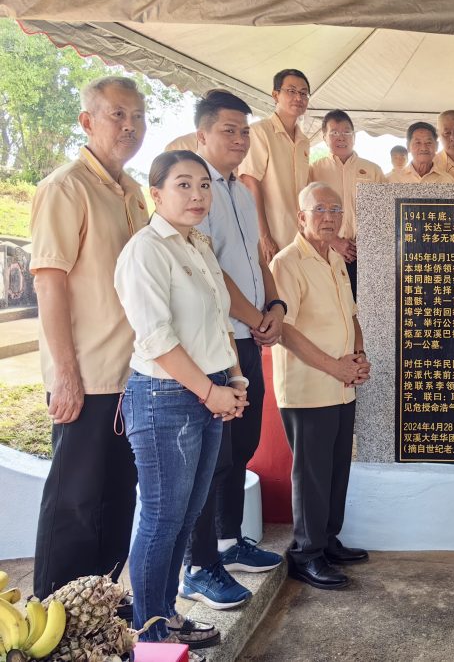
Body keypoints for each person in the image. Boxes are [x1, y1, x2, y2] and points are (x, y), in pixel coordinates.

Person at [115, 150, 249, 652]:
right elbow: (156, 339)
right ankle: (147, 633)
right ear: (156, 193)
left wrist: (235, 383)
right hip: (165, 397)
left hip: (208, 388)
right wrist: (211, 390)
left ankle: (164, 616)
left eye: (203, 186)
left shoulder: (198, 245)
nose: (197, 196)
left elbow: (217, 324)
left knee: (188, 512)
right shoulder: (146, 251)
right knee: (162, 515)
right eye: (183, 185)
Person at [29, 76, 149, 602]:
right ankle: (54, 621)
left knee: (117, 500)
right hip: (88, 375)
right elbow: (49, 282)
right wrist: (66, 374)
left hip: (134, 373)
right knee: (75, 502)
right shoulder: (65, 187)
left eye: (138, 116)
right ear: (87, 121)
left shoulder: (134, 191)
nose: (129, 126)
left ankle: (98, 615)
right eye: (117, 115)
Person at [179, 91, 286, 611]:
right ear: (202, 135)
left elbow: (257, 257)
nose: (240, 140)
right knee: (210, 458)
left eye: (245, 131)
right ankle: (197, 566)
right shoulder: (197, 195)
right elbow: (210, 270)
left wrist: (276, 307)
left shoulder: (242, 192)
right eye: (228, 130)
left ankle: (227, 542)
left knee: (239, 447)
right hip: (214, 346)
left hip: (248, 337)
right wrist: (252, 314)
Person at [270, 182, 372, 590]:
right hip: (309, 386)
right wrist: (335, 366)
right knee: (311, 473)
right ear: (301, 217)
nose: (328, 216)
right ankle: (306, 553)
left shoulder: (334, 259)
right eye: (319, 210)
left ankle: (328, 540)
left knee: (335, 468)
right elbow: (285, 330)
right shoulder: (287, 262)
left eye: (335, 209)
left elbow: (352, 315)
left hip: (342, 385)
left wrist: (359, 356)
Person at [238, 68, 311, 264]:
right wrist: (264, 236)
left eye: (304, 93)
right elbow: (249, 182)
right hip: (272, 237)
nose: (298, 97)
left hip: (299, 238)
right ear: (275, 95)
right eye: (292, 91)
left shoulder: (304, 141)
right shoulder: (260, 132)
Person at [310, 109, 385, 297]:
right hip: (326, 252)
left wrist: (367, 245)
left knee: (364, 311)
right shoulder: (314, 171)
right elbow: (308, 214)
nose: (341, 137)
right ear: (324, 137)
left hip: (366, 255)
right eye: (334, 132)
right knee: (331, 308)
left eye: (346, 132)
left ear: (354, 136)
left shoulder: (373, 170)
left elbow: (384, 212)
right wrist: (334, 242)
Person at [388, 122, 454, 184]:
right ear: (408, 146)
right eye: (418, 143)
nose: (423, 148)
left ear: (436, 146)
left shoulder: (447, 181)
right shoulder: (393, 180)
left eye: (428, 142)